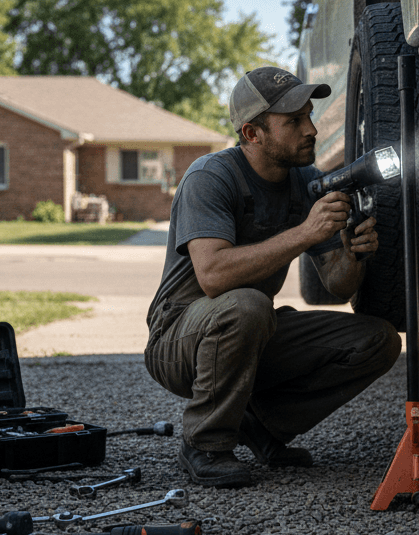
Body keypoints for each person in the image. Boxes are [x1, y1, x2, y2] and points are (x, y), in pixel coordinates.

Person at [144, 66, 402, 488]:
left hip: (250, 329)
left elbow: (338, 287)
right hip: (178, 337)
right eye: (295, 121)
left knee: (378, 340)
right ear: (252, 133)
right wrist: (304, 233)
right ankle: (204, 443)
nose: (312, 130)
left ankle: (260, 425)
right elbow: (212, 275)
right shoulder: (210, 177)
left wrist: (352, 252)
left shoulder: (306, 181)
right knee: (248, 305)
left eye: (310, 116)